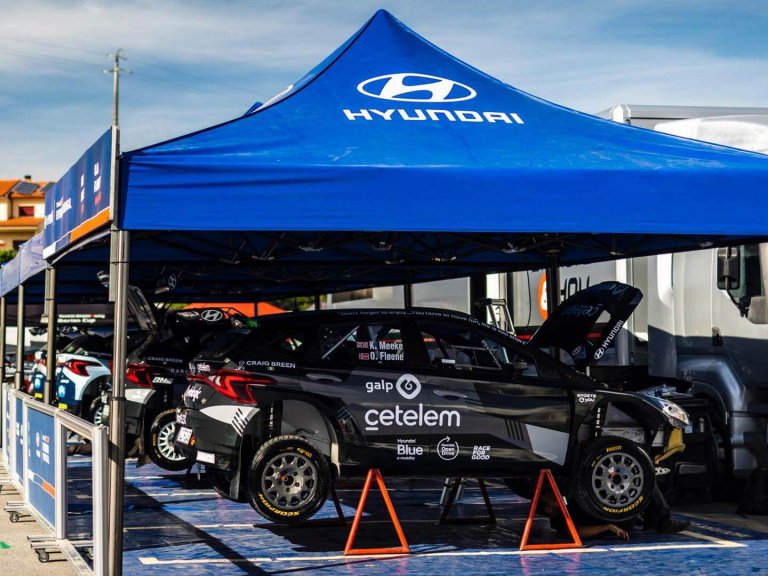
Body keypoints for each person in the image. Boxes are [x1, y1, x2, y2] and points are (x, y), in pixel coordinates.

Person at [539, 485, 690, 541]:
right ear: (549, 509)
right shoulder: (559, 522)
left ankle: (651, 522)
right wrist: (608, 527)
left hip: (613, 516)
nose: (559, 497)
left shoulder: (565, 508)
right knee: (648, 483)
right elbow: (578, 532)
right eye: (554, 499)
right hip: (619, 524)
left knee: (644, 485)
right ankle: (665, 521)